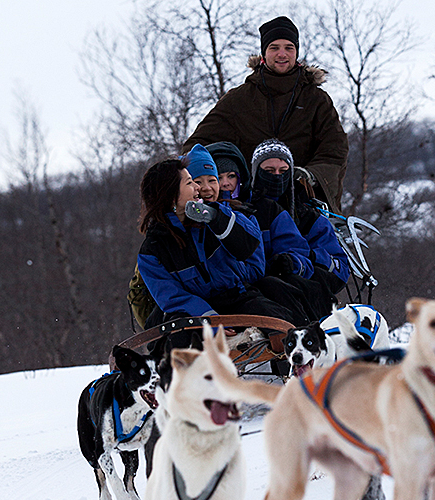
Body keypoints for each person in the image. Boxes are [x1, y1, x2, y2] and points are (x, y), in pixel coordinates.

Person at [181, 15, 349, 214]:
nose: (282, 54)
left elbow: (335, 148)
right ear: (263, 53)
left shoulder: (316, 99)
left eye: (289, 47)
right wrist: (225, 175)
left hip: (304, 204)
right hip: (248, 207)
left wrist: (309, 175)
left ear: (296, 52)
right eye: (274, 47)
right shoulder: (239, 99)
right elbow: (197, 146)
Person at [134, 154, 295, 326]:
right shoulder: (151, 252)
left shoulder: (215, 214)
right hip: (195, 314)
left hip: (240, 299)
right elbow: (173, 298)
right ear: (171, 195)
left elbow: (249, 246)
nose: (198, 187)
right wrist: (209, 321)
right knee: (175, 339)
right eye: (190, 182)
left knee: (278, 323)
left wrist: (216, 219)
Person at [249, 139, 350, 313]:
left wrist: (307, 258)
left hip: (304, 298)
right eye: (269, 170)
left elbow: (340, 269)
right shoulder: (243, 210)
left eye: (283, 170)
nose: (277, 176)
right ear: (255, 173)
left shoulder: (309, 217)